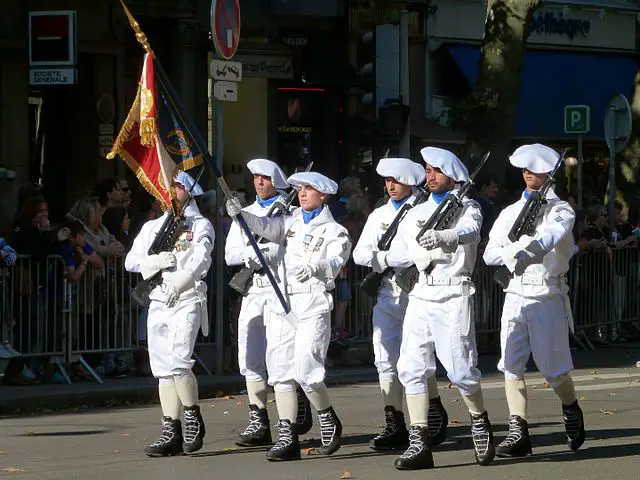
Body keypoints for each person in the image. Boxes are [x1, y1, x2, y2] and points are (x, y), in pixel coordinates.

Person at [225, 171, 352, 462]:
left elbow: (337, 259)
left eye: (309, 189)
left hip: (312, 304)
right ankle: (287, 435)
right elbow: (266, 227)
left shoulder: (335, 231)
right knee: (280, 372)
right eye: (299, 189)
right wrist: (240, 215)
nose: (302, 193)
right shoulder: (291, 221)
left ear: (323, 195)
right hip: (282, 302)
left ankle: (326, 414)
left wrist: (317, 268)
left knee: (307, 372)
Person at [385, 147, 495, 470]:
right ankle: (419, 440)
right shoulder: (415, 213)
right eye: (428, 170)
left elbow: (471, 231)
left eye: (436, 170)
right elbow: (396, 253)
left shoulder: (467, 207)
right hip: (421, 294)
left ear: (452, 175)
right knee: (411, 367)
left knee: (461, 371)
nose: (430, 176)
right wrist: (419, 254)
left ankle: (478, 419)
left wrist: (446, 236)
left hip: (453, 294)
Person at [483, 143, 585, 458]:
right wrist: (514, 252)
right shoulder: (510, 212)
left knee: (553, 369)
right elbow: (490, 254)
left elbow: (553, 236)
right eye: (524, 169)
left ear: (548, 173)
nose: (527, 173)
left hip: (545, 292)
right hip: (515, 292)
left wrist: (529, 249)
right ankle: (518, 431)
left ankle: (570, 407)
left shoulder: (561, 209)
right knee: (510, 365)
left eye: (534, 168)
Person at [352, 157, 449, 452]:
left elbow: (414, 254)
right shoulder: (379, 215)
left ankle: (432, 409)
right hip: (386, 290)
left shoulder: (422, 212)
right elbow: (359, 254)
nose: (391, 186)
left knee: (418, 357)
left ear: (410, 181)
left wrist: (383, 258)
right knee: (384, 358)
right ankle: (394, 422)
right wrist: (381, 259)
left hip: (415, 290)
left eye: (396, 180)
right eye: (387, 181)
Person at [124, 171, 214, 457]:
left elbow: (201, 258)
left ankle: (191, 415)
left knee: (179, 361)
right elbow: (131, 261)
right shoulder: (153, 226)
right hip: (159, 297)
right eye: (167, 187)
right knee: (162, 368)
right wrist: (154, 261)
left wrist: (182, 280)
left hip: (186, 296)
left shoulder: (200, 225)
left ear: (189, 191)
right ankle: (170, 428)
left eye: (175, 187)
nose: (169, 192)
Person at [224, 158, 312, 447]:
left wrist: (275, 252)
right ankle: (258, 419)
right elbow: (229, 255)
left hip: (280, 288)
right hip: (254, 288)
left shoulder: (292, 212)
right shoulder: (244, 212)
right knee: (250, 356)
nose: (259, 182)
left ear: (277, 181)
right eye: (256, 178)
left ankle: (295, 408)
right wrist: (249, 256)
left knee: (282, 354)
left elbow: (294, 247)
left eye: (264, 178)